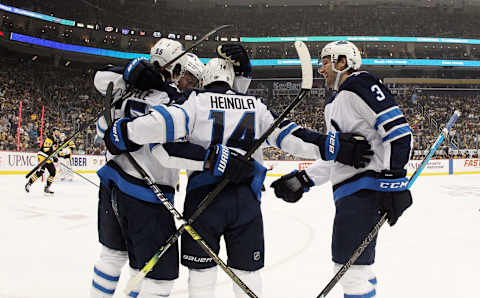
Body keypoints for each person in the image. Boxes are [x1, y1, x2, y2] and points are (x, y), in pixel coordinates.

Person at [103, 54, 373, 298]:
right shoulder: (255, 105)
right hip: (246, 202)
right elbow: (293, 137)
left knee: (201, 274)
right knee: (248, 275)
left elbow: (160, 127)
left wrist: (122, 133)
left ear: (206, 77)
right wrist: (335, 147)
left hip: (203, 201)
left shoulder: (194, 101)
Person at [270, 40, 413, 298]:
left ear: (342, 62)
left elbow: (399, 133)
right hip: (351, 194)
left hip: (364, 192)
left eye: (325, 61)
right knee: (357, 271)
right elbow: (338, 156)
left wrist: (394, 182)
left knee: (352, 272)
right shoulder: (336, 102)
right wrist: (304, 179)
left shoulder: (359, 83)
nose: (320, 69)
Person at [90, 38, 202, 298]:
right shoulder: (174, 99)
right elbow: (170, 146)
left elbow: (100, 77)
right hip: (147, 194)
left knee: (111, 256)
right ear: (174, 70)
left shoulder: (125, 86)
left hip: (112, 184)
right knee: (157, 276)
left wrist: (131, 72)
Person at [25, 127, 60, 195]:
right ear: (53, 132)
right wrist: (52, 156)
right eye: (57, 131)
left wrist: (54, 157)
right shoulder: (50, 138)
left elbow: (53, 151)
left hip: (48, 158)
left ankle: (47, 187)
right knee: (41, 172)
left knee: (53, 172)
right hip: (43, 156)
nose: (58, 132)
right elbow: (46, 149)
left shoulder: (56, 141)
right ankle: (29, 184)